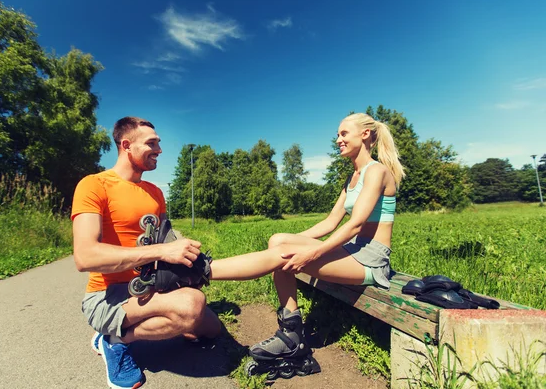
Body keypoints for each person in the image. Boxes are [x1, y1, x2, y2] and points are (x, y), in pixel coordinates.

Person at [207, 112, 405, 378]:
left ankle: (202, 272)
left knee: (283, 251)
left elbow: (355, 225)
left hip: (370, 260)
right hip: (352, 251)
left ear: (365, 134)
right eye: (338, 135)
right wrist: (292, 242)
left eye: (344, 133)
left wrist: (311, 251)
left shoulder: (377, 172)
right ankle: (291, 333)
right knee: (279, 240)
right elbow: (330, 222)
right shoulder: (353, 178)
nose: (338, 140)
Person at [71, 116, 222, 389]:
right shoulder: (94, 185)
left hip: (151, 287)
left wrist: (182, 247)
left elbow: (166, 238)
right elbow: (85, 257)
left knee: (212, 331)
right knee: (191, 307)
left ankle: (129, 328)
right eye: (152, 143)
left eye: (159, 143)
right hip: (108, 295)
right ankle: (115, 340)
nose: (160, 150)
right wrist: (163, 251)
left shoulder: (155, 192)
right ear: (126, 145)